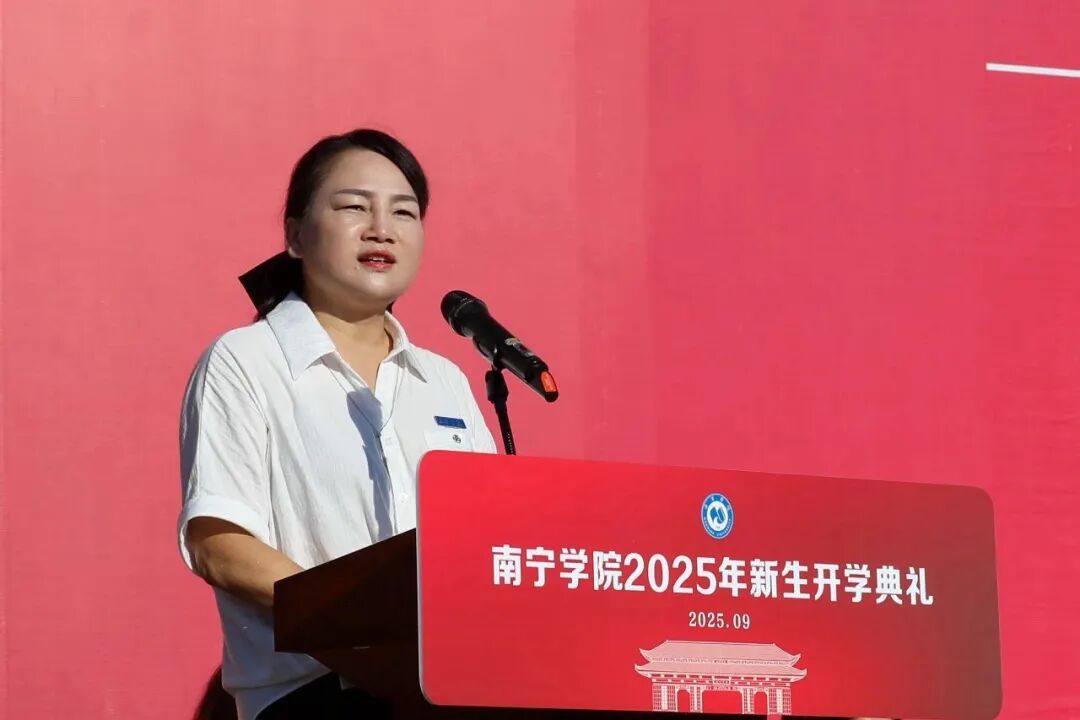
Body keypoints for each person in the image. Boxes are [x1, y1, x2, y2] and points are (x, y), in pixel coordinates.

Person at [177, 128, 497, 720]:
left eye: (403, 212)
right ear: (295, 235)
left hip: (442, 693)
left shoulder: (444, 380)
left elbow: (485, 545)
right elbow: (219, 543)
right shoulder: (246, 361)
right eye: (354, 207)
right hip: (312, 697)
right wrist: (358, 633)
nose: (381, 228)